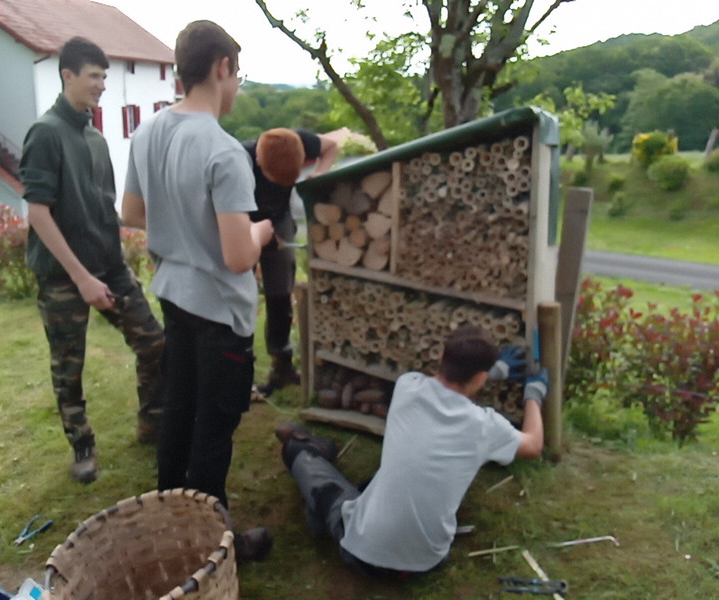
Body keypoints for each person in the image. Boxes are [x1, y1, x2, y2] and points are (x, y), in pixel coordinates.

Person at [121, 21, 274, 513]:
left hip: (173, 296)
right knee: (214, 426)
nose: (236, 87)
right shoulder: (224, 151)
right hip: (219, 315)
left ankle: (171, 517)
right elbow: (237, 256)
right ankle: (208, 539)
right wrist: (262, 232)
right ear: (221, 67)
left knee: (179, 413)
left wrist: (182, 225)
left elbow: (132, 213)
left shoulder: (147, 132)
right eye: (237, 75)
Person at [275, 324, 547, 576]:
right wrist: (533, 394)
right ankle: (325, 493)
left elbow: (445, 381)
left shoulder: (408, 387)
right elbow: (533, 444)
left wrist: (488, 373)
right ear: (480, 377)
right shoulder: (484, 427)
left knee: (303, 458)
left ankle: (309, 455)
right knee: (382, 483)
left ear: (441, 356)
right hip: (427, 562)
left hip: (360, 553)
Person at [19, 37, 165, 484]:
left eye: (105, 76)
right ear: (68, 76)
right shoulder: (45, 133)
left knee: (155, 343)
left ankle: (153, 423)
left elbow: (103, 210)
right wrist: (81, 279)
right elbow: (38, 213)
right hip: (64, 275)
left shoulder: (97, 139)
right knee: (69, 365)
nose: (103, 84)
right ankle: (82, 443)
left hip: (110, 266)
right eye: (95, 76)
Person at [242, 128, 342, 398]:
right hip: (244, 223)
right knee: (241, 298)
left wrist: (319, 174)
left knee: (281, 293)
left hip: (280, 219)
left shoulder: (301, 142)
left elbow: (331, 146)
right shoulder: (240, 157)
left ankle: (282, 366)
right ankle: (239, 376)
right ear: (260, 163)